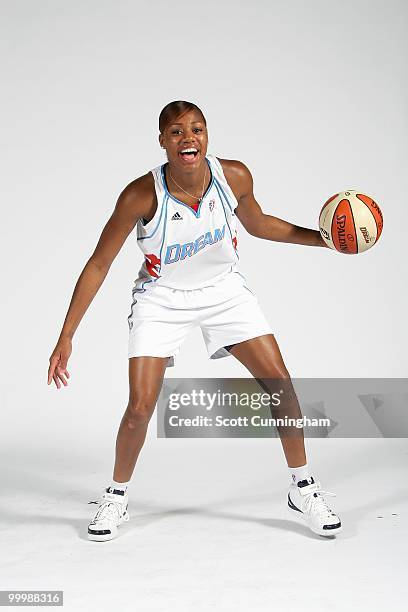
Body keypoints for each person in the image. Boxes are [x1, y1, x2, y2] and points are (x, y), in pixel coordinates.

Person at [47, 100, 342, 541]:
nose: (189, 138)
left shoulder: (233, 175)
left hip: (224, 290)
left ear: (207, 135)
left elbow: (259, 225)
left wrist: (324, 240)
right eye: (177, 131)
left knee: (280, 384)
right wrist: (66, 336)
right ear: (162, 141)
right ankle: (116, 495)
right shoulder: (140, 195)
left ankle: (303, 488)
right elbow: (98, 264)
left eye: (197, 129)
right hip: (161, 298)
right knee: (141, 407)